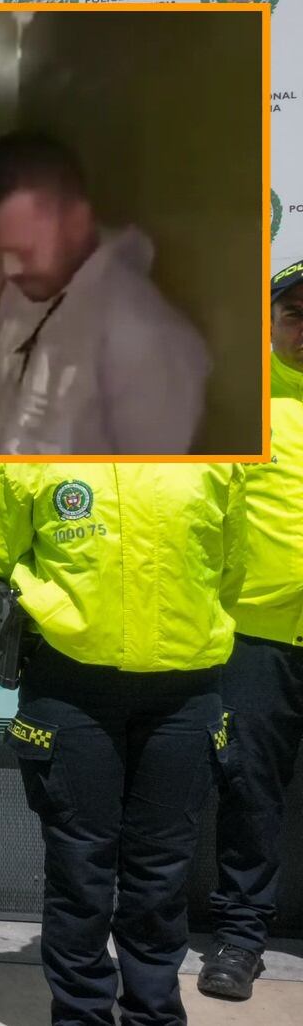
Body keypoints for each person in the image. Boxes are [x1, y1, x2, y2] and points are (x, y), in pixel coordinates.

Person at [0, 464, 247, 1026]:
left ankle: (153, 1013)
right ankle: (80, 1014)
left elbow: (230, 566)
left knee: (163, 872)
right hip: (71, 688)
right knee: (80, 870)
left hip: (185, 688)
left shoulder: (213, 448)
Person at [0, 132, 210, 454]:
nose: (7, 270)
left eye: (22, 252)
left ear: (78, 222)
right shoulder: (21, 290)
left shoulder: (143, 335)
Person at [199, 256, 303, 1000]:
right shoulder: (239, 399)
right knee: (249, 791)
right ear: (269, 320)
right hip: (257, 639)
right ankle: (240, 938)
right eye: (295, 311)